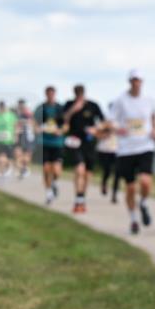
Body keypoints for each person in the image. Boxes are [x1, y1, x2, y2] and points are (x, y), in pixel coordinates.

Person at [110, 69, 155, 234]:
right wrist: (118, 128)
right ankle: (133, 218)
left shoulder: (149, 100)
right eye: (133, 80)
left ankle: (144, 202)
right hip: (126, 149)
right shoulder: (120, 101)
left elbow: (154, 117)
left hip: (145, 145)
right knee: (130, 187)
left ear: (142, 82)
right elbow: (111, 121)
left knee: (145, 181)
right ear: (129, 82)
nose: (136, 83)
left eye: (139, 80)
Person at [62, 84, 105, 213]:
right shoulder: (69, 104)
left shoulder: (93, 105)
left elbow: (103, 122)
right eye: (76, 93)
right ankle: (78, 198)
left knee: (87, 173)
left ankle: (82, 198)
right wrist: (73, 110)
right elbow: (63, 120)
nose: (78, 95)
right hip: (75, 141)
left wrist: (96, 129)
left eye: (80, 93)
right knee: (79, 169)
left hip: (90, 143)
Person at [34, 86, 65, 204]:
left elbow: (66, 124)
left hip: (57, 142)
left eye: (52, 94)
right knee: (46, 169)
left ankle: (54, 183)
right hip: (44, 142)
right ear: (46, 94)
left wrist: (60, 131)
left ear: (55, 94)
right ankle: (48, 194)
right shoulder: (40, 108)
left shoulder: (60, 108)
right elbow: (34, 122)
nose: (50, 96)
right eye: (48, 94)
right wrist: (37, 129)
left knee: (56, 170)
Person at [96, 104, 120, 203]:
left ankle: (114, 194)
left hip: (118, 150)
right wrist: (107, 131)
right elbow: (98, 135)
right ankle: (104, 183)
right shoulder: (103, 122)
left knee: (118, 173)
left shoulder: (120, 121)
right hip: (104, 150)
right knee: (108, 170)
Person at [0, 100, 17, 180]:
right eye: (1, 106)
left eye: (3, 106)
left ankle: (5, 171)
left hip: (9, 140)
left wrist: (15, 135)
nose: (2, 108)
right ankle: (2, 173)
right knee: (2, 156)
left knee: (8, 158)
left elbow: (15, 125)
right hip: (0, 140)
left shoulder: (11, 115)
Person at [14, 99, 35, 179]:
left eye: (21, 105)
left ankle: (24, 168)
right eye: (19, 105)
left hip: (28, 138)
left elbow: (31, 122)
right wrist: (16, 135)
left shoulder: (27, 113)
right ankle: (22, 169)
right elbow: (17, 126)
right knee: (18, 155)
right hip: (20, 137)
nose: (20, 107)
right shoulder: (17, 114)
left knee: (27, 156)